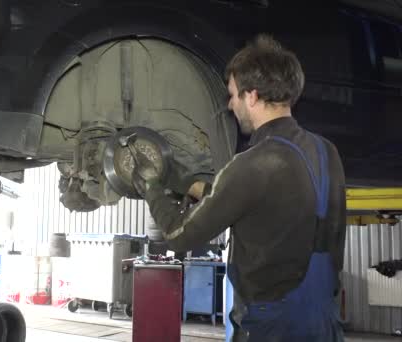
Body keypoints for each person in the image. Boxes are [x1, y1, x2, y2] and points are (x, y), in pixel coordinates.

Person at [132, 34, 347, 342]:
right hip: (325, 322)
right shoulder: (327, 152)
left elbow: (178, 236)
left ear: (252, 96)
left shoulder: (252, 164)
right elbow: (257, 206)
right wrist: (185, 183)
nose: (230, 104)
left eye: (232, 95)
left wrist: (151, 187)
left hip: (274, 327)